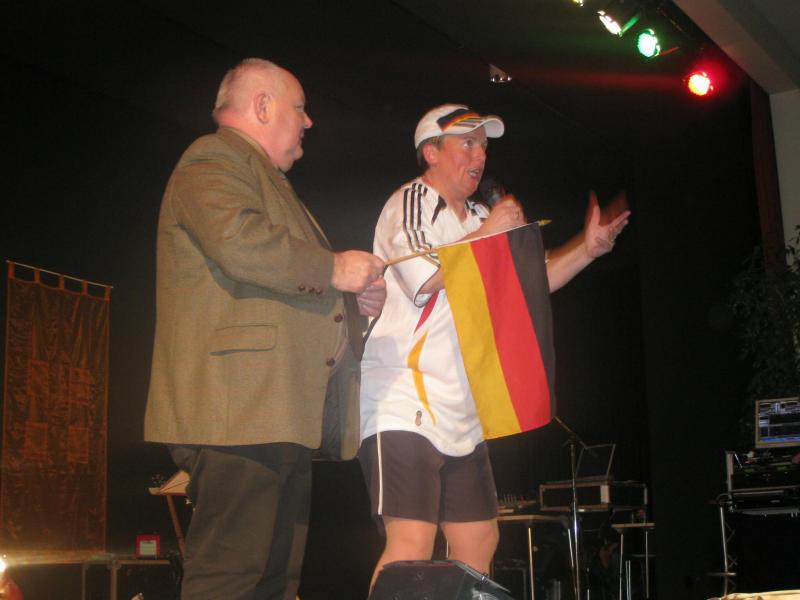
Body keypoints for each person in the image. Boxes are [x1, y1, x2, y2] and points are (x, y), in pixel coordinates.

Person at [358, 104, 630, 586]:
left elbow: (527, 286)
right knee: (411, 544)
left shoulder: (482, 216)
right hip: (404, 396)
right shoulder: (412, 202)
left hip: (463, 409)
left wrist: (587, 250)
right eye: (466, 142)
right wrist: (491, 233)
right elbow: (423, 278)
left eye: (483, 145)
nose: (479, 154)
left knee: (480, 541)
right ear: (431, 152)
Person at [144, 58, 386, 600]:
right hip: (239, 413)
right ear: (261, 106)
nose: (308, 121)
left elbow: (281, 281)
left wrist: (351, 299)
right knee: (231, 579)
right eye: (300, 108)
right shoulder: (213, 157)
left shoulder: (264, 178)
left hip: (273, 414)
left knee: (272, 583)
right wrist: (333, 268)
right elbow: (238, 241)